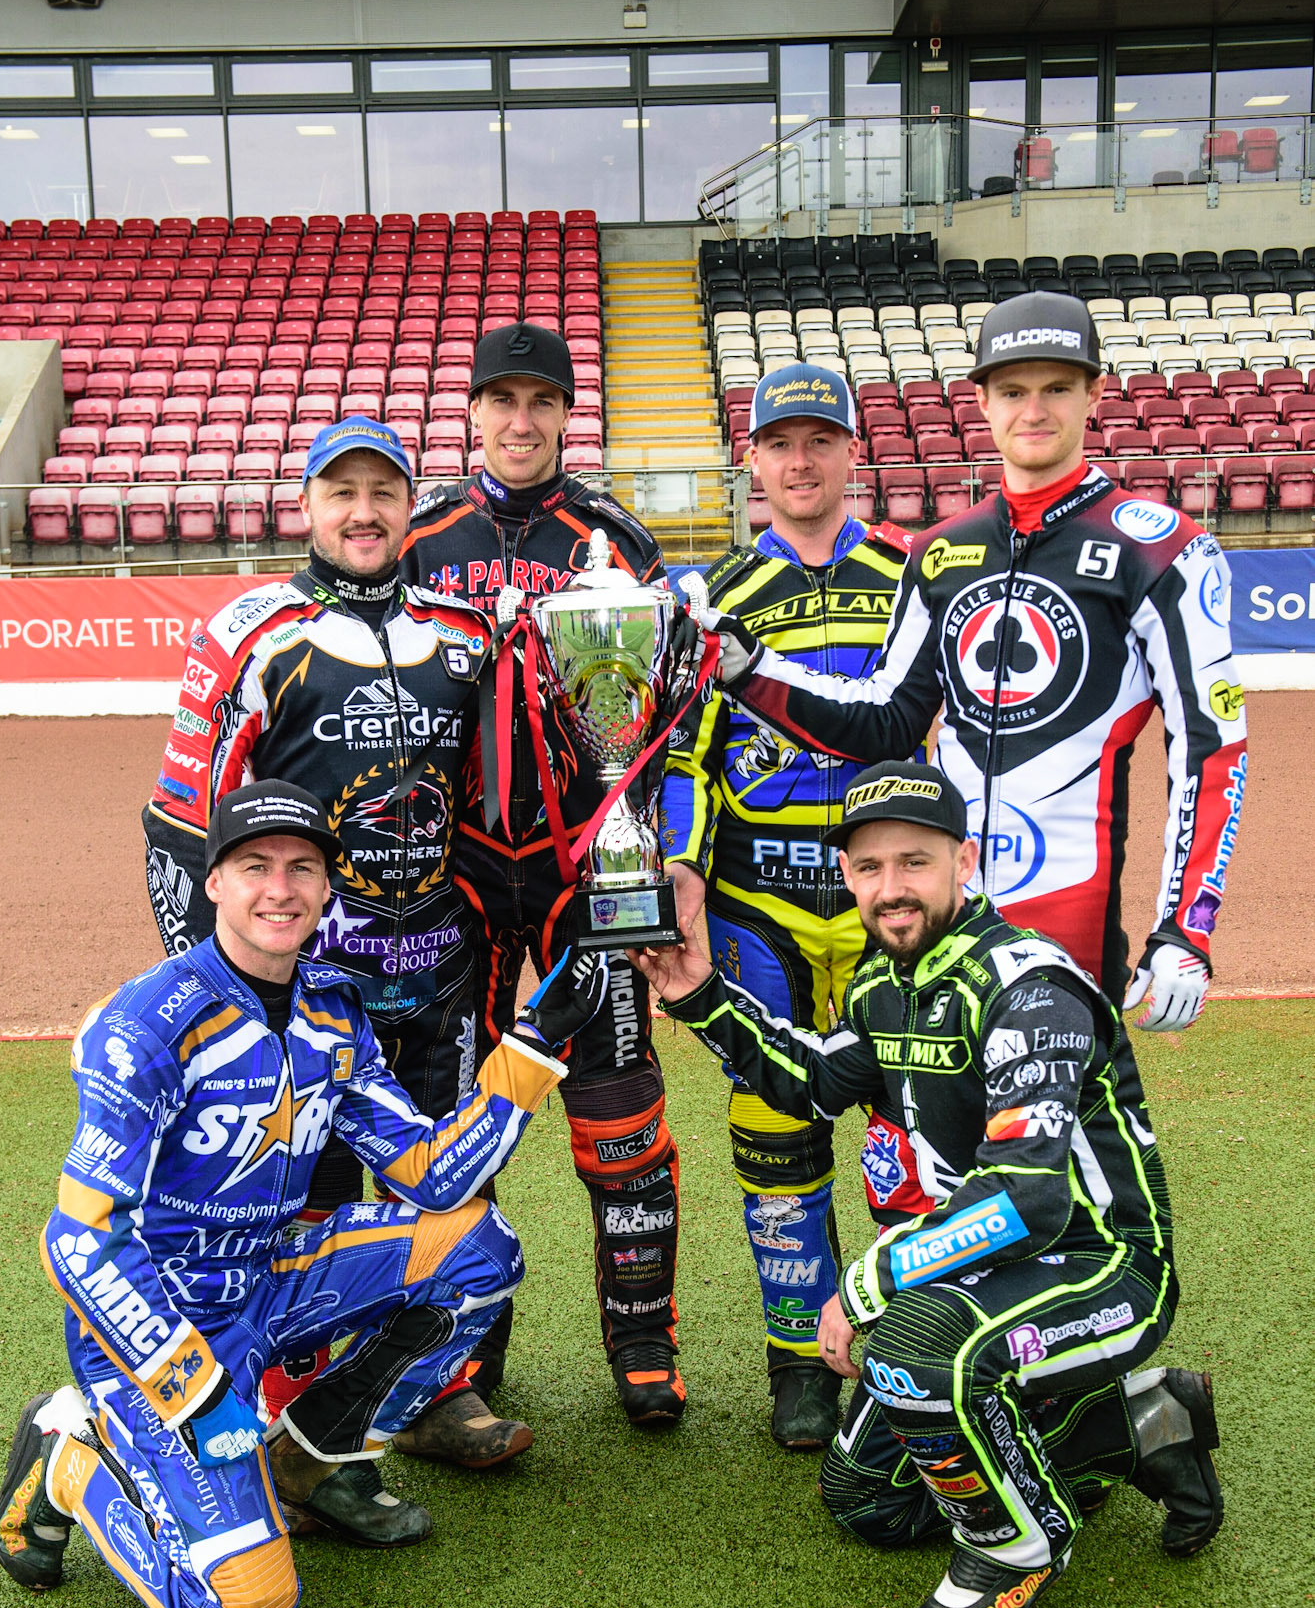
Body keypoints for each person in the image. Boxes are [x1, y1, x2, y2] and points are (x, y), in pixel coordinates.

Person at [0, 781, 607, 1608]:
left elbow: (431, 1178)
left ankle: (304, 1463)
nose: (279, 888)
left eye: (301, 869)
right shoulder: (146, 1026)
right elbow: (77, 1241)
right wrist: (196, 1395)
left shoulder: (332, 1009)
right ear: (213, 883)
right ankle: (73, 1454)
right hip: (158, 1338)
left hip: (266, 1281)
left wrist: (535, 1047)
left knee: (477, 1249)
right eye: (254, 867)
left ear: (326, 890)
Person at [632, 761, 1223, 1608]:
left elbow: (1027, 1197)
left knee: (912, 1350)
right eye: (869, 869)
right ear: (848, 879)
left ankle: (1014, 1549)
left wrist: (864, 1287)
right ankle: (1141, 1423)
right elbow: (818, 1085)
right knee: (864, 1499)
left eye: (913, 862)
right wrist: (699, 995)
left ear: (965, 861)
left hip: (1104, 1267)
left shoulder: (1030, 986)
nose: (890, 889)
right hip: (980, 1273)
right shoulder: (881, 985)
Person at [143, 417, 527, 1472]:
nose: (364, 512)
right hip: (305, 981)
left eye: (384, 491)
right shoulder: (253, 629)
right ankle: (290, 1414)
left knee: (452, 1180)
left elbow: (508, 798)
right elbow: (182, 821)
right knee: (299, 1199)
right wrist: (220, 994)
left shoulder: (464, 631)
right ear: (305, 504)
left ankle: (445, 1393)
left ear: (412, 505)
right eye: (341, 491)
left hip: (442, 970)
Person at [712, 292, 1248, 1030]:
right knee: (924, 1137)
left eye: (1056, 387)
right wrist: (746, 667)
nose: (1033, 410)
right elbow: (885, 719)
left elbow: (1209, 750)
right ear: (982, 402)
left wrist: (1185, 928)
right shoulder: (938, 551)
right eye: (1012, 390)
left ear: (1093, 394)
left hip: (1071, 919)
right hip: (942, 912)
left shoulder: (1160, 547)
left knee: (1049, 1142)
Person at [402, 321, 689, 1427]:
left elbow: (662, 709)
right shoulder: (421, 534)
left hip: (584, 873)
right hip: (455, 871)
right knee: (450, 1117)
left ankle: (643, 1342)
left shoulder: (612, 535)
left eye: (541, 403)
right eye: (500, 401)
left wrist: (651, 864)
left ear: (570, 415)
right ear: (471, 412)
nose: (520, 422)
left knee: (618, 1111)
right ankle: (463, 1354)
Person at [660, 363, 917, 1450]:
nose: (800, 462)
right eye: (780, 443)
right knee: (775, 1139)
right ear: (751, 460)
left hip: (889, 911)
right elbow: (679, 757)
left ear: (853, 452)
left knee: (915, 1140)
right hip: (759, 904)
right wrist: (677, 872)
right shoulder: (707, 598)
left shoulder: (913, 575)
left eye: (820, 440)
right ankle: (798, 1365)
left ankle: (909, 1346)